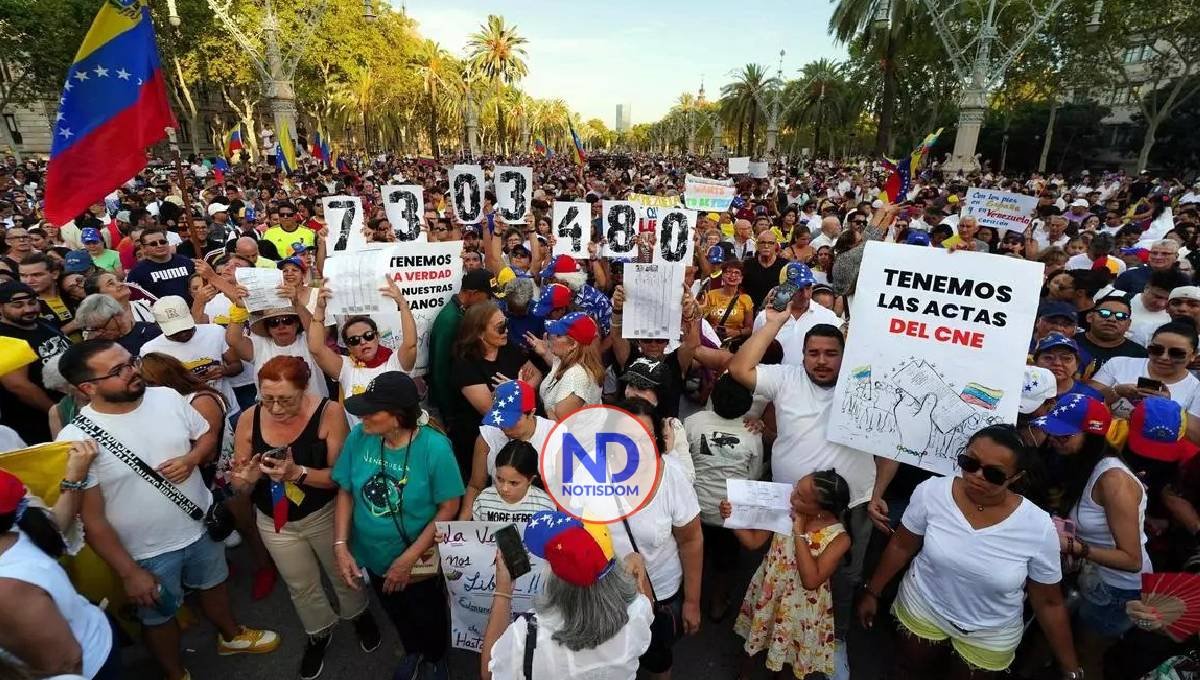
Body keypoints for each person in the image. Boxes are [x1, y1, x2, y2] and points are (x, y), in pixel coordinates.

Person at [56, 340, 280, 680]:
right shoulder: (77, 440)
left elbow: (205, 436)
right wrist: (130, 572)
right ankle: (176, 673)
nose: (132, 371)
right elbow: (93, 520)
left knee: (214, 584)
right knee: (158, 617)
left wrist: (192, 458)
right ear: (88, 388)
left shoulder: (166, 397)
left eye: (131, 362)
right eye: (118, 371)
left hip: (200, 524)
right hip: (146, 553)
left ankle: (231, 635)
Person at [858, 425, 1082, 679]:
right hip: (922, 608)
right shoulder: (932, 492)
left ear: (1015, 478)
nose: (977, 476)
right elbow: (901, 545)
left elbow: (1048, 602)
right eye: (969, 463)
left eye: (994, 474)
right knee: (908, 670)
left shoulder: (1038, 527)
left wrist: (1070, 667)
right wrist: (872, 591)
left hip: (991, 633)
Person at [229, 356, 380, 680]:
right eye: (267, 398)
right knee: (300, 584)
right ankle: (319, 631)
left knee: (343, 574)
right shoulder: (248, 418)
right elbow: (240, 485)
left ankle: (359, 615)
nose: (276, 408)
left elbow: (341, 477)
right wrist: (245, 478)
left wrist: (297, 473)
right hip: (275, 520)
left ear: (305, 389)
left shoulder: (330, 412)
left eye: (286, 399)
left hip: (323, 513)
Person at [332, 372, 464, 680]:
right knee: (395, 610)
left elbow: (449, 507)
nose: (362, 416)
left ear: (398, 416)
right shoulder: (361, 436)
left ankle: (434, 658)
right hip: (373, 554)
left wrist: (408, 559)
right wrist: (341, 545)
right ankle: (413, 651)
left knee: (427, 613)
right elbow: (346, 490)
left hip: (416, 560)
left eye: (371, 410)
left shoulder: (435, 448)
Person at [1033, 395, 1151, 677]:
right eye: (1051, 431)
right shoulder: (1081, 463)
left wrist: (1075, 547)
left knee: (1088, 655)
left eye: (1063, 435)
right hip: (1096, 577)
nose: (1053, 439)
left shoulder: (1113, 481)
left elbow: (1131, 559)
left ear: (1092, 435)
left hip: (1119, 589)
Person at [481, 511, 654, 680]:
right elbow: (647, 604)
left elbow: (489, 671)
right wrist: (636, 559)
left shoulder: (527, 635)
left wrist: (503, 591)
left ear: (558, 584)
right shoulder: (636, 610)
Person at [723, 470, 852, 680]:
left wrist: (799, 529)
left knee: (787, 654)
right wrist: (731, 519)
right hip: (770, 592)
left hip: (800, 608)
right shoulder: (785, 509)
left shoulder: (839, 538)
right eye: (796, 488)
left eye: (801, 497)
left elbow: (811, 580)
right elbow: (753, 542)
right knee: (755, 640)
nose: (792, 497)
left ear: (821, 511)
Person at [0, 462, 122, 680]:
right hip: (94, 634)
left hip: (89, 667)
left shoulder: (7, 590)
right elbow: (57, 523)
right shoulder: (25, 526)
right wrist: (74, 475)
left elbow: (67, 663)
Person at [609, 397, 703, 678]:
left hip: (659, 594)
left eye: (644, 436)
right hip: (605, 592)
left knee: (657, 656)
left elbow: (691, 540)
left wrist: (692, 602)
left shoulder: (672, 477)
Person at [683, 374, 763, 621]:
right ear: (747, 403)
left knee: (688, 552)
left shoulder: (692, 422)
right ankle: (718, 603)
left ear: (714, 397)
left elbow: (681, 463)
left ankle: (687, 595)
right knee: (725, 563)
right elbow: (754, 475)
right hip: (729, 515)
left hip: (694, 510)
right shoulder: (752, 433)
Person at [308, 277, 417, 426]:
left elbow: (410, 344)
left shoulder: (395, 361)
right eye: (354, 340)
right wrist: (320, 310)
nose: (363, 342)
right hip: (361, 441)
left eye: (368, 336)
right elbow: (316, 349)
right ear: (348, 346)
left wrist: (402, 305)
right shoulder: (345, 367)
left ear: (377, 336)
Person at [447, 300, 533, 480]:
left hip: (514, 436)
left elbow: (536, 374)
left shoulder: (508, 347)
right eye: (500, 328)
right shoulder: (465, 364)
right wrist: (519, 389)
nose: (506, 331)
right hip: (480, 441)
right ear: (479, 333)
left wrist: (515, 389)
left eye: (506, 324)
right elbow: (491, 411)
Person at [461, 379, 558, 520]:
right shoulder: (487, 437)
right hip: (496, 515)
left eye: (512, 421)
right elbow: (476, 486)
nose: (505, 428)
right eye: (501, 420)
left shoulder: (557, 437)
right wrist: (459, 528)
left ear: (531, 413)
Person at [611, 285, 701, 419]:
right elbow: (617, 336)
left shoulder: (675, 363)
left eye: (660, 340)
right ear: (639, 340)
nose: (653, 344)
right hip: (627, 427)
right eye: (647, 340)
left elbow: (692, 343)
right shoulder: (630, 357)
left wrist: (688, 313)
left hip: (663, 431)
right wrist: (617, 309)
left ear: (667, 341)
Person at [0, 281, 71, 444]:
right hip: (37, 423)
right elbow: (20, 387)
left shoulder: (43, 323)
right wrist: (58, 413)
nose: (28, 309)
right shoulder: (4, 338)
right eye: (17, 305)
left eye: (32, 303)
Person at [142, 296, 243, 408]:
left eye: (186, 328)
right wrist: (193, 381)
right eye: (175, 331)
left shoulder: (215, 332)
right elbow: (157, 392)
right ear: (158, 325)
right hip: (187, 416)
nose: (183, 334)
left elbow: (237, 365)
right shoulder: (150, 350)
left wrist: (224, 371)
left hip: (229, 409)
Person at [225, 292, 328, 399]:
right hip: (272, 412)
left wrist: (297, 303)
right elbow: (233, 340)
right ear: (267, 328)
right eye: (274, 322)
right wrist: (240, 308)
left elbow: (314, 327)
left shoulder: (310, 341)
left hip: (313, 411)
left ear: (297, 324)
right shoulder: (260, 345)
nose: (281, 326)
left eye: (287, 321)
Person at [1090, 321, 1200, 419]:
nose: (1164, 357)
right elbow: (1085, 400)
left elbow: (1193, 436)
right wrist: (1116, 392)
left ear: (1193, 355)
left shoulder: (1196, 389)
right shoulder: (1118, 364)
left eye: (1176, 353)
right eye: (1156, 350)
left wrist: (1166, 407)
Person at [427, 269, 493, 422]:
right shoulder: (450, 320)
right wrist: (448, 412)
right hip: (450, 406)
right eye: (487, 296)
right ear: (472, 293)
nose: (489, 301)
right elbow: (440, 370)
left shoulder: (461, 313)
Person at [750, 263, 841, 366]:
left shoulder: (828, 317)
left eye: (808, 287)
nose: (805, 295)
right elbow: (753, 355)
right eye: (798, 289)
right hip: (775, 380)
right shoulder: (764, 318)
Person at [524, 311, 602, 420]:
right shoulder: (570, 360)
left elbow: (559, 424)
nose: (552, 337)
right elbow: (559, 367)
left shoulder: (576, 377)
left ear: (573, 344)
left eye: (559, 335)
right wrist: (545, 352)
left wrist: (523, 393)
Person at [467, 439, 555, 522]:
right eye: (499, 479)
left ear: (530, 480)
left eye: (514, 483)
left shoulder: (545, 505)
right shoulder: (483, 501)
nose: (505, 488)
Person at [1073, 295, 1147, 380]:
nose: (1112, 319)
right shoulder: (1070, 342)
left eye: (1121, 316)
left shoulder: (1140, 355)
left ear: (1128, 324)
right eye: (1104, 313)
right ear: (1089, 317)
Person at [75, 293, 160, 355]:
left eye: (100, 327)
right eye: (92, 329)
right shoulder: (97, 345)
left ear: (117, 316)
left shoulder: (151, 334)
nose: (97, 333)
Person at [19, 252, 80, 337]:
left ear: (55, 274)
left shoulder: (71, 293)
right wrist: (75, 324)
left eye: (36, 275)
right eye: (23, 276)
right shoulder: (24, 307)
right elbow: (38, 339)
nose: (29, 281)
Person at [126, 228, 195, 302]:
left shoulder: (185, 262)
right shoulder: (137, 273)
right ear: (143, 248)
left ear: (168, 243)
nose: (159, 245)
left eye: (162, 242)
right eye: (153, 244)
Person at [1032, 333, 1104, 400]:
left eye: (1066, 358)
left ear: (1077, 365)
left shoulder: (1091, 397)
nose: (1057, 363)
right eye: (1048, 357)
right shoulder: (1021, 389)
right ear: (1035, 363)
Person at [700, 259, 755, 344]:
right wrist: (711, 329)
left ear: (741, 279)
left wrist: (736, 333)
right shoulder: (710, 295)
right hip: (712, 340)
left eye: (737, 273)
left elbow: (749, 329)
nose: (732, 276)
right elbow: (701, 320)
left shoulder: (746, 299)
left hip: (734, 343)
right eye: (728, 272)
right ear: (722, 276)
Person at [742, 229, 787, 306]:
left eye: (770, 243)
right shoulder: (747, 264)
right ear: (757, 245)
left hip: (776, 310)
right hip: (750, 308)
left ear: (776, 245)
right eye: (762, 243)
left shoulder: (785, 265)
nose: (766, 246)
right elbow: (741, 289)